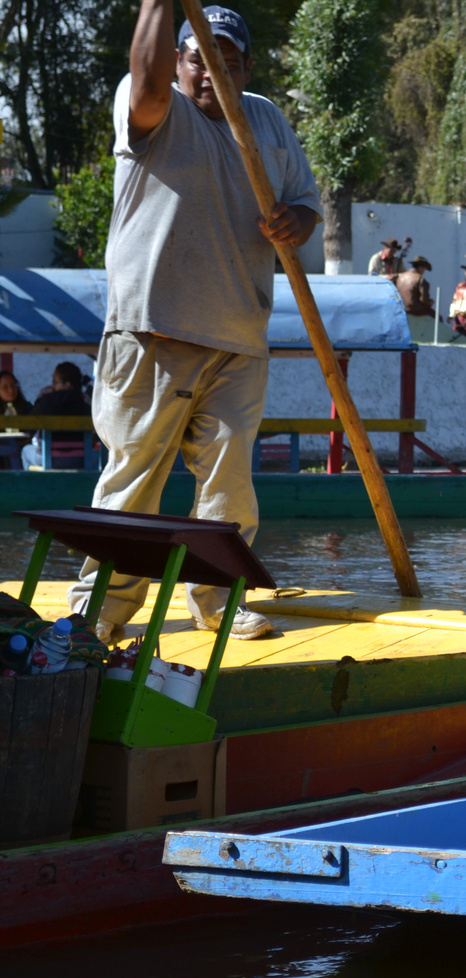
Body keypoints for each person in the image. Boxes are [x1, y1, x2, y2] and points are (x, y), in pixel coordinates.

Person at [66, 1, 322, 644]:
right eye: (199, 58)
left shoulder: (263, 117)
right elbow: (148, 84)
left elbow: (306, 204)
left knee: (230, 490)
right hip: (152, 330)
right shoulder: (152, 101)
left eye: (227, 61)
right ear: (178, 61)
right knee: (133, 483)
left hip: (238, 337)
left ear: (247, 66)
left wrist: (297, 221)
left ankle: (219, 600)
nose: (212, 72)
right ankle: (100, 610)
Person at [21, 362, 93, 468]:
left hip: (49, 458)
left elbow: (29, 430)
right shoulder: (85, 403)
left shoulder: (45, 402)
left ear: (67, 384)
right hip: (81, 459)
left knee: (25, 451)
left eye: (55, 382)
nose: (52, 385)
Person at [0, 371, 33, 470]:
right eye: (5, 387)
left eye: (13, 385)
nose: (11, 390)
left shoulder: (27, 407)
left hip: (23, 448)